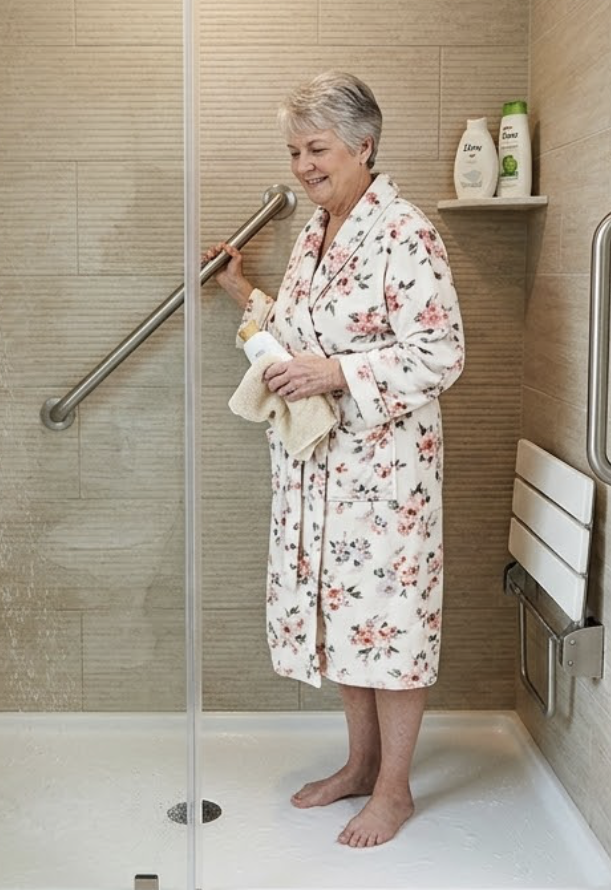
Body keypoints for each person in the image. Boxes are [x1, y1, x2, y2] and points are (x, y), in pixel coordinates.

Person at [204, 71, 465, 848]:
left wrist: (340, 373)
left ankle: (394, 789)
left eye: (316, 148)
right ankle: (357, 764)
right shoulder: (319, 232)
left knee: (392, 619)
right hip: (322, 463)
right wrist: (242, 290)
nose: (304, 165)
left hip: (387, 473)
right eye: (294, 150)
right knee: (345, 615)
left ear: (363, 146)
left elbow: (441, 352)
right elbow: (299, 330)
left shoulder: (405, 233)